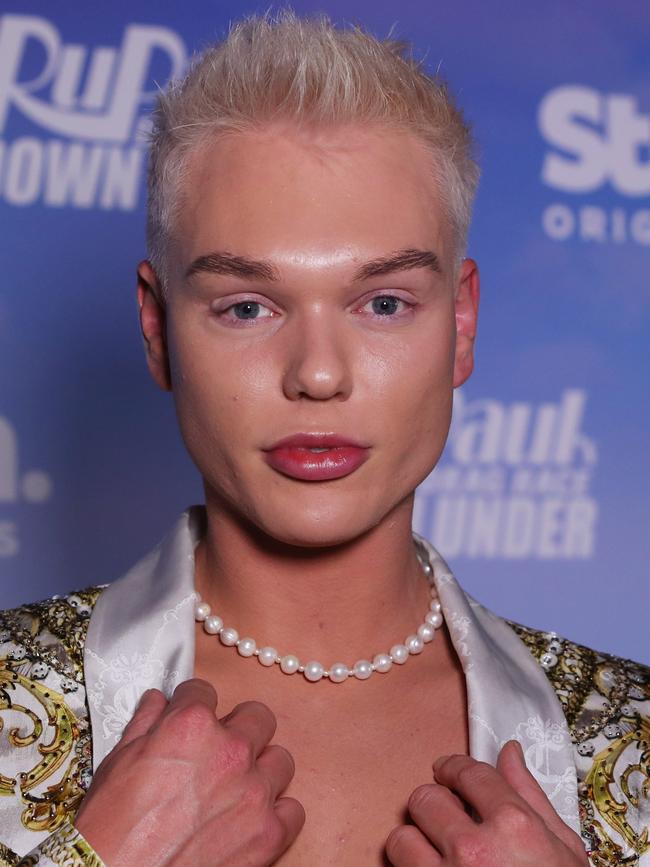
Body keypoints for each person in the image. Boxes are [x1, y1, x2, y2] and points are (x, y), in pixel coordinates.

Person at [0, 10, 647, 867]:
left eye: (383, 302)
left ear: (461, 324)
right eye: (246, 306)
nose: (316, 374)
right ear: (157, 328)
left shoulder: (631, 733)